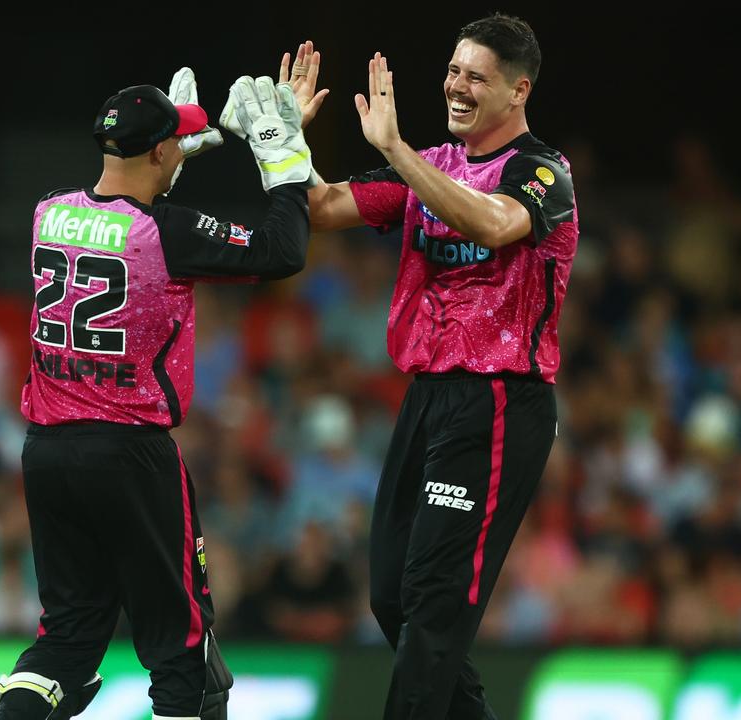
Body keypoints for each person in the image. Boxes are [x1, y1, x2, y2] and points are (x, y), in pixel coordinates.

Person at [0, 68, 315, 720]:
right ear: (163, 152)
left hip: (47, 452)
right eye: (177, 143)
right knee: (184, 655)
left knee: (68, 637)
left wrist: (169, 163)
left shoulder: (48, 211)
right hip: (131, 455)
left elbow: (125, 218)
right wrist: (284, 162)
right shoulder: (168, 233)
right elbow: (281, 250)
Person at [282, 15, 579, 718]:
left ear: (517, 91)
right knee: (392, 595)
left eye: (477, 76)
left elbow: (492, 224)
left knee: (435, 603)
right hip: (428, 398)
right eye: (453, 70)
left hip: (500, 403)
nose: (457, 86)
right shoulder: (431, 167)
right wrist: (283, 139)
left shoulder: (544, 172)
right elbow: (321, 208)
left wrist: (395, 150)